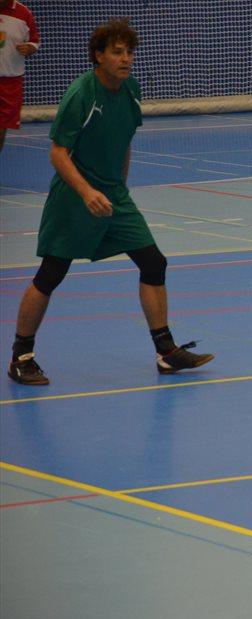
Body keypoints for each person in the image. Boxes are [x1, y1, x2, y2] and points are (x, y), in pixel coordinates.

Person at [7, 19, 213, 386]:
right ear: (99, 55)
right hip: (74, 198)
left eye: (130, 52)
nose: (126, 58)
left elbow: (125, 140)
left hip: (114, 195)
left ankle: (166, 352)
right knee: (51, 274)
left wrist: (119, 187)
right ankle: (21, 357)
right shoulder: (80, 95)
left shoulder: (131, 89)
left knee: (153, 262)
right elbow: (58, 153)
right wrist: (87, 192)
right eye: (118, 52)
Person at [0, 0, 39, 153]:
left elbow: (34, 41)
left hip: (11, 81)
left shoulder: (24, 13)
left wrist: (30, 48)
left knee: (2, 126)